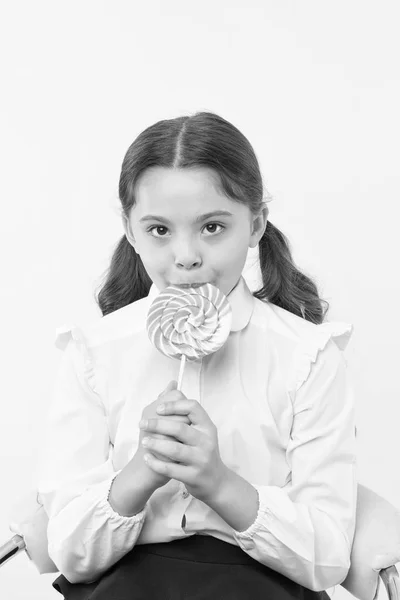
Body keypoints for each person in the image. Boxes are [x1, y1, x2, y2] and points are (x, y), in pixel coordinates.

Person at [35, 111, 357, 600]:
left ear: (256, 224)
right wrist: (143, 471)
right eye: (159, 230)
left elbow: (327, 558)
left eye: (211, 227)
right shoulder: (94, 352)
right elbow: (71, 556)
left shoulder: (308, 357)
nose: (185, 255)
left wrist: (218, 481)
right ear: (130, 230)